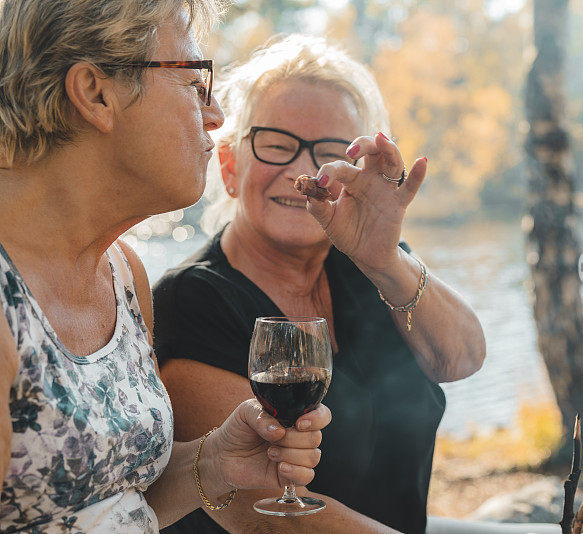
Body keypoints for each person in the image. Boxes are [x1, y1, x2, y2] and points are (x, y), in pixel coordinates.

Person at [0, 3, 330, 532]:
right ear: (95, 93)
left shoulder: (123, 276)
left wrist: (219, 459)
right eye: (194, 80)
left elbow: (114, 500)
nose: (216, 115)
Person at [153, 35, 486, 534]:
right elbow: (271, 519)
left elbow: (461, 359)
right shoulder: (189, 301)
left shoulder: (369, 267)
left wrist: (385, 260)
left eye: (331, 152)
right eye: (275, 143)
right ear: (229, 167)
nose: (301, 171)